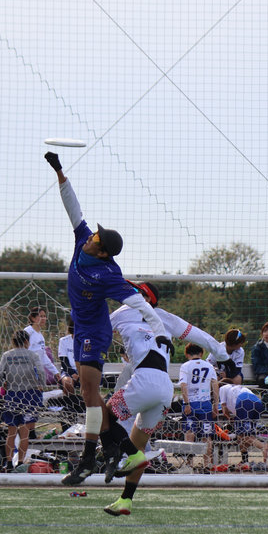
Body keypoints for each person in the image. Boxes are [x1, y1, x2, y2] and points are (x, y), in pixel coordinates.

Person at [44, 151, 170, 486]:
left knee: (89, 394)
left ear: (102, 252)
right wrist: (60, 172)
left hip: (96, 331)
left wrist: (159, 330)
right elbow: (74, 209)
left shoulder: (108, 273)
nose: (90, 236)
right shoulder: (82, 241)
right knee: (90, 397)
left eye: (96, 239)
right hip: (82, 329)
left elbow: (139, 303)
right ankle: (117, 450)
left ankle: (93, 458)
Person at [104, 281, 227, 481]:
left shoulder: (128, 312)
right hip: (165, 389)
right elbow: (200, 335)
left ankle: (111, 456)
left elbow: (100, 329)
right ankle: (126, 495)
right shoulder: (154, 316)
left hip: (144, 382)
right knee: (138, 446)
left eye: (136, 291)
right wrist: (221, 353)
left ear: (147, 299)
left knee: (103, 416)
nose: (131, 293)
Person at [0, 330, 44, 471]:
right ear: (27, 342)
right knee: (24, 432)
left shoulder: (7, 355)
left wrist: (3, 384)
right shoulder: (32, 355)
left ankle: (9, 462)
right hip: (29, 394)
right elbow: (41, 371)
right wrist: (41, 385)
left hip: (12, 394)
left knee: (11, 432)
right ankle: (21, 462)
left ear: (13, 342)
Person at [178, 343, 220, 469]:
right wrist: (215, 405)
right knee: (207, 435)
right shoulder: (209, 366)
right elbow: (215, 384)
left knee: (189, 433)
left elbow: (183, 385)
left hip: (191, 404)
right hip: (205, 404)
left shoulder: (185, 366)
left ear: (187, 354)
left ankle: (189, 464)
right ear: (201, 354)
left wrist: (186, 403)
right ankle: (207, 464)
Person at [218, 381, 268, 468]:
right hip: (257, 402)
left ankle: (262, 446)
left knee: (243, 435)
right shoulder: (239, 388)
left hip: (244, 403)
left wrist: (229, 418)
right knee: (243, 436)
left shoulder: (223, 388)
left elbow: (224, 409)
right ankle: (245, 461)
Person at [25, 306, 75, 393]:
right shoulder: (27, 332)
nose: (44, 318)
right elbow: (21, 350)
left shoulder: (40, 336)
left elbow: (43, 356)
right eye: (41, 316)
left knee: (37, 394)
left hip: (37, 370)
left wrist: (55, 372)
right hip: (27, 370)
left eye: (45, 316)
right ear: (33, 318)